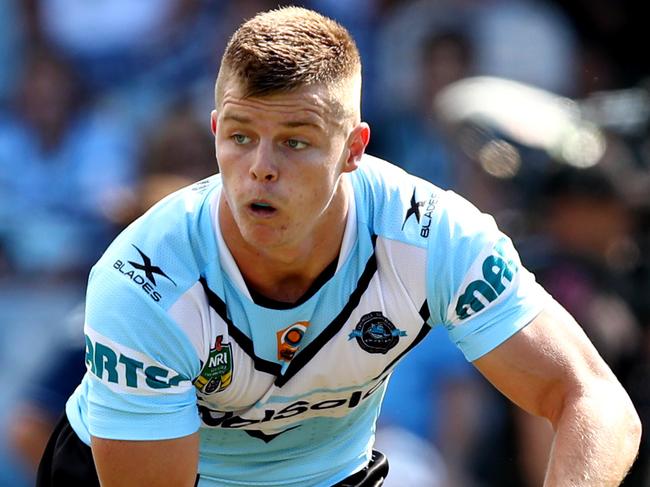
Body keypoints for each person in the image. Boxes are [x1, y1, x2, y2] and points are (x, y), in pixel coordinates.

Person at [36, 7, 641, 487]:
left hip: (330, 476)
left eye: (296, 142)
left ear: (354, 148)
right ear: (215, 131)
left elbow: (592, 398)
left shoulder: (432, 236)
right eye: (242, 136)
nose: (260, 170)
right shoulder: (143, 283)